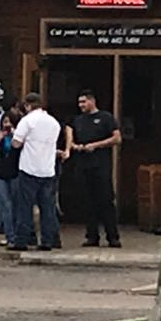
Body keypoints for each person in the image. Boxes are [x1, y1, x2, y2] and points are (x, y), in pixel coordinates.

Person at [66, 89, 123, 248]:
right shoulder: (77, 121)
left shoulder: (106, 118)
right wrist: (76, 146)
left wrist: (95, 146)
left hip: (101, 166)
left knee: (105, 201)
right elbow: (70, 140)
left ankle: (113, 237)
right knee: (87, 202)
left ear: (92, 101)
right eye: (79, 103)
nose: (81, 105)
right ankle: (92, 236)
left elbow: (117, 138)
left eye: (84, 102)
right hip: (83, 166)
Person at [9, 93, 63, 251]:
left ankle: (21, 241)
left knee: (25, 207)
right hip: (48, 169)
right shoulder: (54, 122)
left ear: (27, 106)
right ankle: (47, 241)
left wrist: (13, 135)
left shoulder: (27, 121)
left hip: (29, 168)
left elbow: (16, 144)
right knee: (47, 208)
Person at [0, 105, 21, 243]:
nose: (6, 125)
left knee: (15, 204)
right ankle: (10, 236)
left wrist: (14, 136)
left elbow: (19, 152)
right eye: (4, 122)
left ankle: (16, 233)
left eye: (9, 122)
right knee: (5, 204)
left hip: (14, 173)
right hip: (0, 175)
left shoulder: (18, 137)